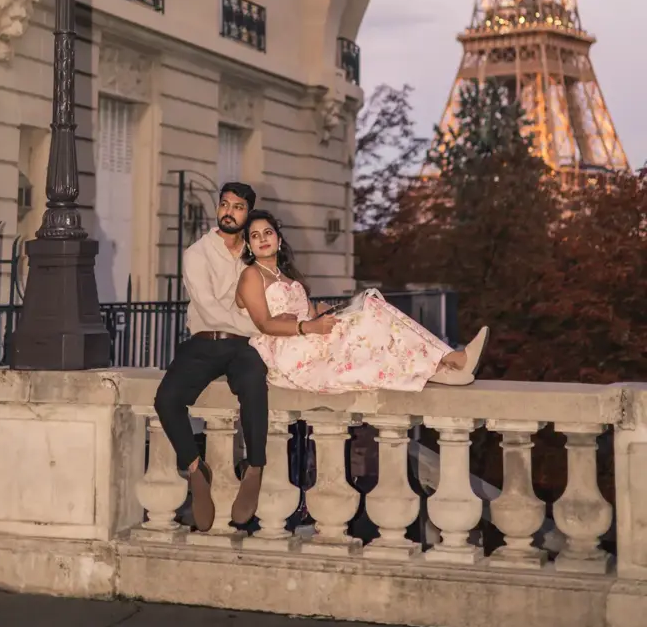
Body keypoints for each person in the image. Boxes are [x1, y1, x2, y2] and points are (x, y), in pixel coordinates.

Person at [154, 184, 297, 534]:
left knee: (253, 386)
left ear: (248, 214)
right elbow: (210, 309)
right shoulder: (197, 253)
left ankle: (255, 468)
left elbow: (280, 299)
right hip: (203, 342)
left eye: (238, 207)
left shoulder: (254, 257)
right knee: (166, 399)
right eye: (224, 205)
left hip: (245, 347)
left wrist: (270, 325)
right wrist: (260, 324)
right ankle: (194, 468)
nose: (228, 211)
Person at [236, 209, 489, 392]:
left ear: (279, 240)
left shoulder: (285, 275)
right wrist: (308, 327)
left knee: (371, 307)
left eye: (267, 232)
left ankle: (441, 366)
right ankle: (450, 361)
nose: (263, 239)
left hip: (307, 334)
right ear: (248, 245)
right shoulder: (251, 275)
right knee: (372, 319)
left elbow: (306, 310)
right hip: (288, 349)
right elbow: (264, 324)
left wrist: (323, 312)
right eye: (255, 236)